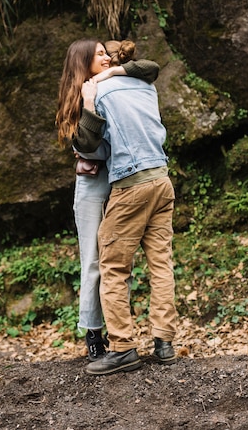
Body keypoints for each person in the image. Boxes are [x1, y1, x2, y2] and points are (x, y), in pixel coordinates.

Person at [56, 38, 159, 362]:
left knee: (117, 260)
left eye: (105, 52)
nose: (105, 57)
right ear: (82, 62)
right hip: (90, 186)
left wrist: (106, 76)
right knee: (94, 261)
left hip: (120, 180)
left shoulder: (109, 83)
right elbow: (86, 144)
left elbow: (150, 68)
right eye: (98, 54)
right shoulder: (80, 96)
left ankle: (121, 336)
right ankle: (93, 333)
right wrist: (88, 100)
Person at [75, 59, 177, 376]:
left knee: (113, 266)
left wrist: (89, 102)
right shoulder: (145, 84)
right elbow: (150, 65)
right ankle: (164, 343)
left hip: (131, 185)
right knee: (161, 262)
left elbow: (86, 145)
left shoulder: (100, 92)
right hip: (162, 179)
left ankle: (122, 348)